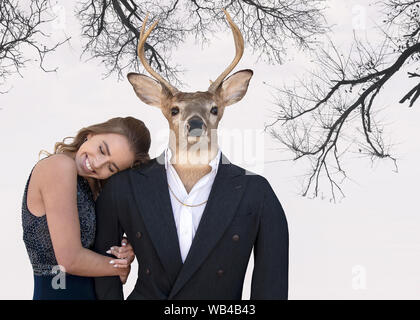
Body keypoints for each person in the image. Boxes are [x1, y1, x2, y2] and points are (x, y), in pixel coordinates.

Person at [22, 116, 151, 300]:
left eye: (111, 167)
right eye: (102, 150)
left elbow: (96, 256)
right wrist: (118, 266)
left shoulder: (92, 187)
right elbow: (70, 259)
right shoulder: (59, 166)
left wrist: (122, 250)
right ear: (91, 134)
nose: (97, 163)